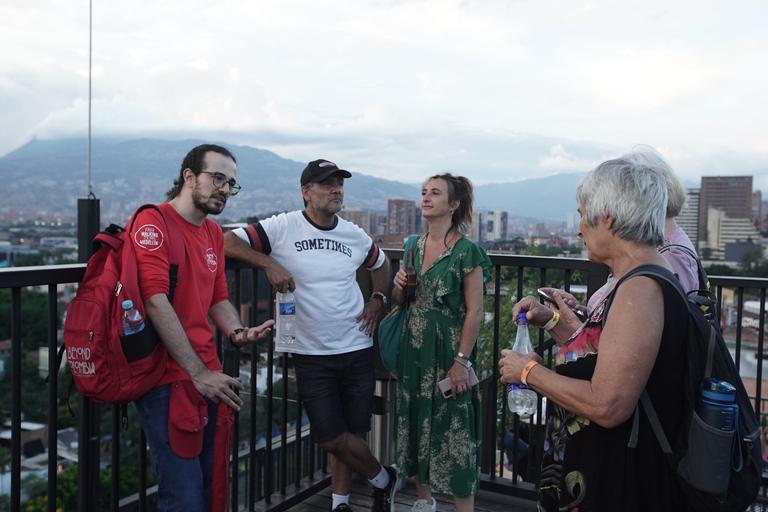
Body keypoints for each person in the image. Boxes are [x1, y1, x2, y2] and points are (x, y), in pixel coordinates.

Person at [499, 157, 689, 511]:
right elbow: (607, 357)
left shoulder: (640, 288)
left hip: (620, 479)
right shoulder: (642, 275)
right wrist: (553, 321)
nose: (579, 228)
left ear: (609, 217)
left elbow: (607, 405)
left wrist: (527, 372)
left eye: (583, 215)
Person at [223, 160, 398, 512]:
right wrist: (269, 263)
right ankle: (384, 478)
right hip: (310, 351)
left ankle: (340, 502)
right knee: (332, 437)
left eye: (339, 184)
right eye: (327, 184)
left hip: (356, 344)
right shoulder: (282, 226)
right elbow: (227, 242)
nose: (336, 189)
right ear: (306, 192)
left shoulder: (353, 234)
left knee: (353, 430)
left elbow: (381, 264)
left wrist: (378, 299)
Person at [132, 144, 274, 512]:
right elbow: (154, 301)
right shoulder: (154, 223)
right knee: (183, 497)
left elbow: (216, 298)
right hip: (168, 380)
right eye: (217, 178)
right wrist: (198, 374)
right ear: (189, 176)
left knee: (212, 492)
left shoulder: (212, 233)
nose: (224, 188)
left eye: (231, 183)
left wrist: (239, 333)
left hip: (208, 377)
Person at [390, 174, 491, 512]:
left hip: (449, 351)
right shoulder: (411, 245)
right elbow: (401, 300)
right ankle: (423, 503)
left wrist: (461, 361)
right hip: (413, 349)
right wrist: (399, 284)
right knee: (417, 422)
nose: (426, 198)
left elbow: (475, 311)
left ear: (455, 204)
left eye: (435, 193)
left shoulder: (467, 251)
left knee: (455, 432)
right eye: (423, 192)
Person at [541, 146, 699, 330]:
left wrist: (556, 327)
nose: (580, 229)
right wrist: (582, 314)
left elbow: (631, 342)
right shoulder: (648, 258)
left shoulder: (658, 265)